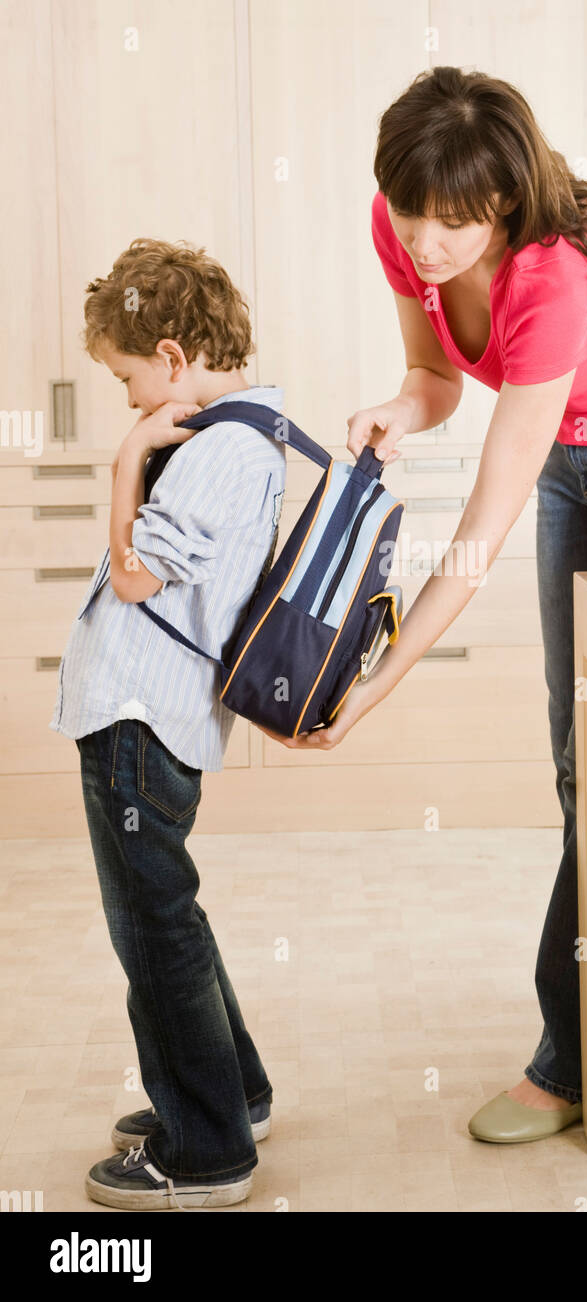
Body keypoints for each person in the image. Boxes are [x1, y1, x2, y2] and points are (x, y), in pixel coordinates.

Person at [278, 65, 587, 1144]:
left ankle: (573, 1053)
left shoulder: (554, 274)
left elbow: (477, 536)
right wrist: (400, 409)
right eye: (412, 216)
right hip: (575, 454)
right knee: (583, 752)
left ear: (499, 201)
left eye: (453, 221)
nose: (426, 243)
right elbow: (434, 372)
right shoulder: (401, 221)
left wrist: (370, 687)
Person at [50, 239, 284, 1208]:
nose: (131, 401)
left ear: (177, 357)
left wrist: (128, 459)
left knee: (154, 928)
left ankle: (206, 1148)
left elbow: (141, 571)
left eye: (129, 379)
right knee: (167, 914)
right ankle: (232, 1094)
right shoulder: (239, 433)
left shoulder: (217, 445)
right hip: (143, 716)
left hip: (139, 718)